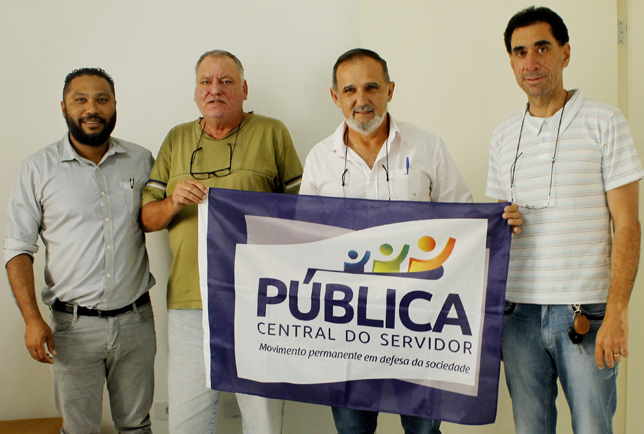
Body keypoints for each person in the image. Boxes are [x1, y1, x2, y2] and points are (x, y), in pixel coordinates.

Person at [300, 48, 521, 434]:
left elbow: (463, 221)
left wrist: (498, 222)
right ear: (335, 97)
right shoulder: (320, 159)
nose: (361, 99)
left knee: (423, 431)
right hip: (347, 326)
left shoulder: (427, 147)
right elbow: (306, 239)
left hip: (418, 323)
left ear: (390, 90)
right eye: (350, 90)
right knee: (352, 430)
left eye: (371, 87)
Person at [486, 7, 643, 434]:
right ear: (511, 61)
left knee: (593, 428)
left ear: (565, 53)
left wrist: (617, 312)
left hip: (585, 313)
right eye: (520, 52)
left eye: (542, 48)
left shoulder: (605, 122)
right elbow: (500, 232)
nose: (531, 62)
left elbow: (628, 225)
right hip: (517, 314)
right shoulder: (502, 136)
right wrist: (505, 219)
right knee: (529, 429)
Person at [140, 50, 303, 434]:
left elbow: (303, 212)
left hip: (260, 300)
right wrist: (173, 201)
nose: (215, 89)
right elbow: (146, 219)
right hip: (190, 301)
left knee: (263, 420)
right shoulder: (176, 138)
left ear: (243, 90)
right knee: (186, 421)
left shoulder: (272, 132)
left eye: (226, 82)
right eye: (206, 82)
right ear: (196, 91)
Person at [5, 68, 157, 434]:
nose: (92, 109)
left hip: (135, 322)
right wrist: (32, 320)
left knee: (136, 425)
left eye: (102, 100)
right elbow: (18, 250)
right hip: (72, 328)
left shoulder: (141, 160)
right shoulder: (36, 170)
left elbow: (158, 218)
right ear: (64, 107)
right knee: (79, 429)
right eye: (80, 100)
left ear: (115, 105)